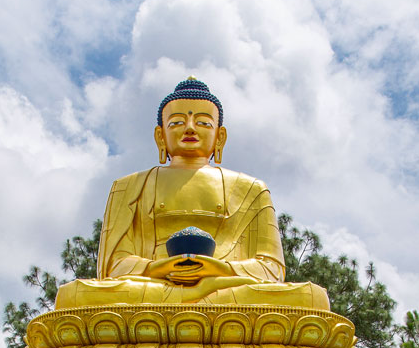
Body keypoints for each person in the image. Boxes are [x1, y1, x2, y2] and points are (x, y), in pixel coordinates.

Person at [54, 78, 328, 309]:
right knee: (73, 296)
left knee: (312, 299)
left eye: (203, 123)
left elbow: (270, 269)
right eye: (176, 122)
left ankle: (197, 300)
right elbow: (114, 266)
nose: (189, 128)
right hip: (151, 290)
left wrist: (219, 270)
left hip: (224, 289)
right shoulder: (128, 186)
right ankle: (193, 302)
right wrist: (158, 268)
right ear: (160, 136)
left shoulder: (251, 188)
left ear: (220, 137)